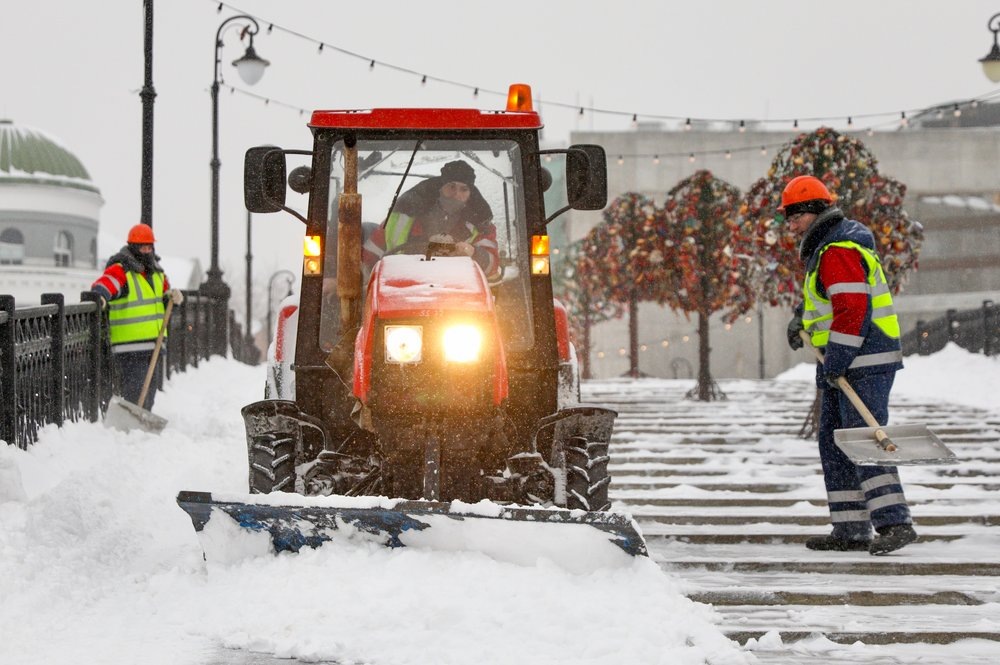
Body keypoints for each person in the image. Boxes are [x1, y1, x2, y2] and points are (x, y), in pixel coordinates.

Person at [781, 175, 916, 556]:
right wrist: (801, 320)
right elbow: (827, 301)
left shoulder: (838, 249)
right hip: (844, 362)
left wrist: (837, 360)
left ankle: (894, 522)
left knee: (863, 440)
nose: (789, 224)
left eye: (793, 215)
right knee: (835, 443)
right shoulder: (827, 250)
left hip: (863, 361)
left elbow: (852, 309)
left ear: (813, 212)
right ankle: (851, 527)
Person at [91, 223, 183, 411]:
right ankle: (132, 425)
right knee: (135, 389)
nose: (146, 251)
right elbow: (106, 283)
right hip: (129, 344)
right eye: (142, 247)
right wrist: (100, 296)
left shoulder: (157, 273)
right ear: (133, 247)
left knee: (150, 389)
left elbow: (161, 297)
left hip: (154, 343)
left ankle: (142, 421)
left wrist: (171, 297)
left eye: (149, 247)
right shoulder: (121, 269)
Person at [362, 160, 500, 277]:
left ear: (471, 194)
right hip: (401, 289)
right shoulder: (402, 216)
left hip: (459, 296)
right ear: (441, 187)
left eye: (464, 189)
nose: (456, 194)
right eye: (451, 187)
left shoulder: (482, 225)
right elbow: (367, 259)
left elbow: (492, 267)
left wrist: (472, 252)